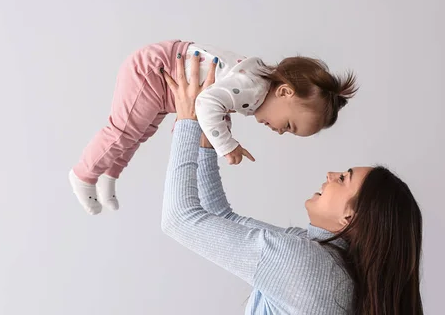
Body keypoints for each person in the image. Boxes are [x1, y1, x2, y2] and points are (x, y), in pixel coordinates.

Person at [161, 54, 424, 315]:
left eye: (344, 178)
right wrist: (206, 143)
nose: (332, 174)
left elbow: (179, 219)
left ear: (350, 216)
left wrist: (188, 120)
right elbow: (221, 217)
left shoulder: (305, 262)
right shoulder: (324, 259)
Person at [69, 40, 357, 215]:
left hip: (165, 80)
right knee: (123, 131)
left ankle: (109, 174)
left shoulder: (252, 86)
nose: (281, 131)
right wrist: (226, 145)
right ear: (284, 92)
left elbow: (215, 104)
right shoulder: (253, 86)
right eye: (290, 125)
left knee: (140, 133)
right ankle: (83, 175)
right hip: (155, 70)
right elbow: (207, 104)